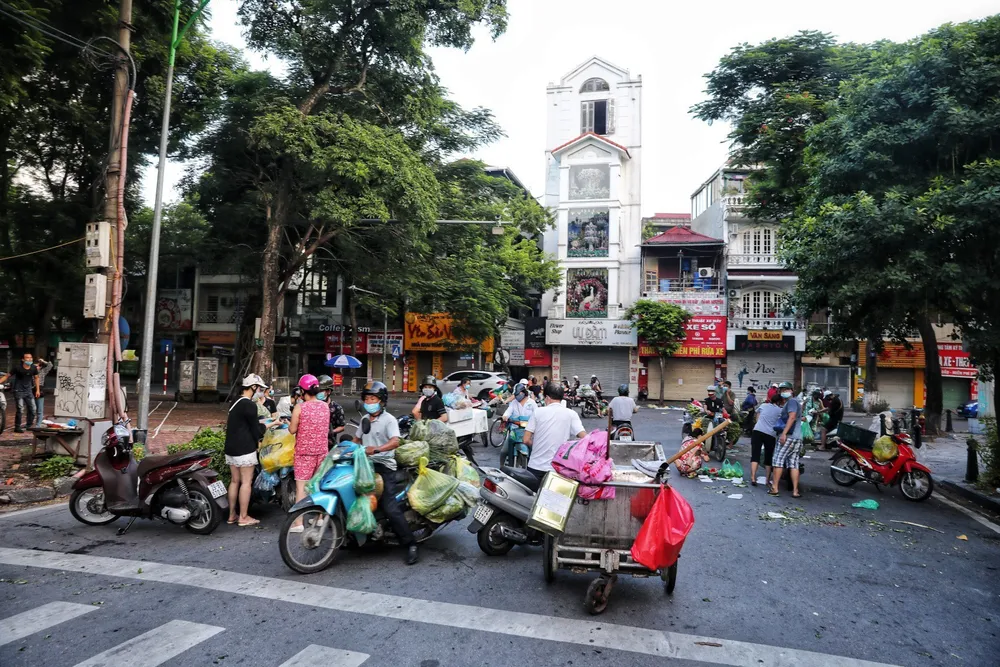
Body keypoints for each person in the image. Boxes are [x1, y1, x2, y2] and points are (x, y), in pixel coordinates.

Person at [355, 381, 418, 565]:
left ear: (381, 401)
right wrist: (346, 448)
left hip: (385, 466)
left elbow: (395, 442)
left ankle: (411, 544)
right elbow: (357, 438)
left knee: (390, 507)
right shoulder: (364, 419)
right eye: (366, 398)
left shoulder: (389, 420)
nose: (369, 401)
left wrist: (377, 449)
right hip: (366, 465)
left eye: (372, 398)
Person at [288, 374, 331, 530]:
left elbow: (292, 430)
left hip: (304, 453)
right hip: (321, 451)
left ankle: (299, 523)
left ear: (302, 390)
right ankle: (319, 518)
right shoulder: (325, 406)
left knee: (301, 488)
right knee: (317, 486)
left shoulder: (300, 407)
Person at [224, 374, 267, 526]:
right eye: (260, 388)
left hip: (231, 447)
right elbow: (256, 429)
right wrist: (270, 424)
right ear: (253, 387)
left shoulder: (235, 401)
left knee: (235, 481)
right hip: (245, 448)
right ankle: (243, 516)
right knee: (246, 483)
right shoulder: (249, 405)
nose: (260, 391)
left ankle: (231, 515)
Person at [524, 383, 587, 485]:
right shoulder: (571, 414)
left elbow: (526, 440)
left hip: (535, 467)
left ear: (547, 397)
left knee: (533, 499)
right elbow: (585, 438)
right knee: (555, 499)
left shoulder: (538, 412)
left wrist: (536, 445)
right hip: (559, 470)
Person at [771, 381, 802, 498]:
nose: (784, 392)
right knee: (793, 464)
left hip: (788, 437)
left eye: (786, 389)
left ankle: (775, 488)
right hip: (797, 438)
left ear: (792, 390)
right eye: (782, 390)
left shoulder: (792, 402)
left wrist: (784, 433)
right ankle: (795, 491)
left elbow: (792, 417)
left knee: (778, 461)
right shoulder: (797, 402)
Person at [0, 353, 40, 432]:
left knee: (33, 408)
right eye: (27, 358)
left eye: (31, 358)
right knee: (20, 409)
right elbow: (7, 375)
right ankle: (17, 427)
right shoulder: (17, 368)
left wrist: (37, 390)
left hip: (28, 391)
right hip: (18, 391)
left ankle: (29, 425)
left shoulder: (33, 368)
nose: (29, 359)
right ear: (23, 359)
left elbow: (36, 378)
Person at [751, 393, 782, 488]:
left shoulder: (763, 405)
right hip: (770, 434)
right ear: (779, 401)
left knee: (755, 455)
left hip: (757, 431)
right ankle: (767, 480)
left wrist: (759, 424)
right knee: (768, 458)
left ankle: (753, 478)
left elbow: (757, 416)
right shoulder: (780, 410)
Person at [318, 375, 347, 446]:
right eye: (317, 391)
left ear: (329, 391)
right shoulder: (312, 407)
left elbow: (342, 426)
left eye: (321, 391)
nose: (318, 393)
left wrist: (331, 431)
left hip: (329, 444)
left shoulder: (336, 408)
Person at [701, 385, 725, 461]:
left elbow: (723, 409)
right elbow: (705, 408)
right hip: (709, 418)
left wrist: (727, 414)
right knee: (705, 431)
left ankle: (724, 442)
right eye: (709, 393)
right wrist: (707, 411)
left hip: (718, 418)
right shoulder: (707, 400)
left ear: (715, 393)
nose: (710, 395)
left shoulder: (719, 400)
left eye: (711, 393)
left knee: (725, 427)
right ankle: (704, 448)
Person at [32, 357, 53, 427]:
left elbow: (50, 365)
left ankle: (38, 425)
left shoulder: (43, 371)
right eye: (35, 366)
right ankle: (29, 423)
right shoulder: (30, 371)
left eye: (37, 366)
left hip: (39, 390)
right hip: (30, 390)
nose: (36, 367)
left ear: (40, 366)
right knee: (31, 408)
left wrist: (43, 361)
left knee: (39, 409)